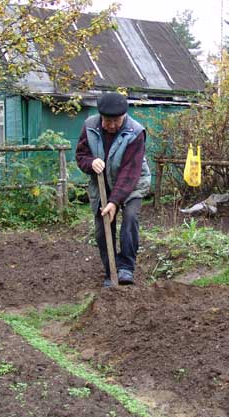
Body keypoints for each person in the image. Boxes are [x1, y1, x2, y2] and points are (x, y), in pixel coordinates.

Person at [75, 92, 150, 287]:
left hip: (132, 183)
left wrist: (115, 201)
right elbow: (81, 155)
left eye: (116, 121)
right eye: (108, 121)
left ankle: (126, 267)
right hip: (103, 183)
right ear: (101, 117)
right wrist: (91, 163)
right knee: (102, 229)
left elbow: (129, 172)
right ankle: (111, 271)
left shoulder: (135, 132)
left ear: (124, 116)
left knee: (130, 218)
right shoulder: (90, 126)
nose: (112, 125)